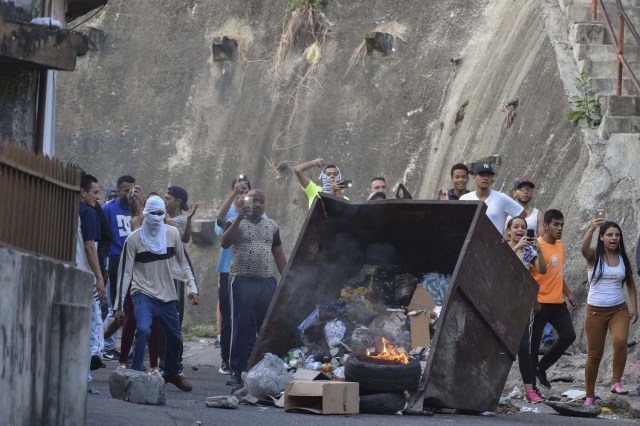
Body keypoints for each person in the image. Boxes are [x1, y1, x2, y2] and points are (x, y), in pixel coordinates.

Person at [114, 196, 198, 391]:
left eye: (160, 214)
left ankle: (171, 372)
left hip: (167, 295)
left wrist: (192, 287)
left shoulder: (172, 235)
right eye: (152, 214)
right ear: (145, 215)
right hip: (142, 293)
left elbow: (184, 262)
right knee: (143, 329)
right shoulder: (133, 239)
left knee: (175, 337)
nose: (156, 218)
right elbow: (125, 273)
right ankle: (135, 373)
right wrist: (119, 305)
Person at [221, 189, 287, 386]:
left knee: (267, 326)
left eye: (261, 201)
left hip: (266, 281)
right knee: (240, 326)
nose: (258, 205)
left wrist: (287, 279)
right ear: (245, 202)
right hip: (242, 279)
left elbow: (279, 255)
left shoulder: (272, 226)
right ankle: (236, 370)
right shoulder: (233, 222)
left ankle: (267, 368)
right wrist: (239, 219)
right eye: (254, 201)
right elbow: (225, 243)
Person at [580, 218, 637, 404]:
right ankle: (589, 395)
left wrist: (634, 307)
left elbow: (630, 284)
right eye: (610, 235)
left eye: (617, 235)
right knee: (594, 354)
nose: (614, 238)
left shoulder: (622, 258)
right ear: (602, 237)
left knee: (620, 341)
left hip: (618, 309)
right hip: (595, 310)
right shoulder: (594, 255)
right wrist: (591, 228)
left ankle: (616, 381)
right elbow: (583, 249)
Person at [529, 209, 578, 390]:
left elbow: (557, 274)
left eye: (562, 225)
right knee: (533, 347)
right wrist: (533, 301)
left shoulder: (560, 245)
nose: (560, 228)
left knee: (568, 335)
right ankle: (531, 387)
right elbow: (528, 275)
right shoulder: (535, 246)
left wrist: (569, 294)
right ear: (546, 226)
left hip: (557, 302)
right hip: (539, 303)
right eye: (556, 225)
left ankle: (542, 368)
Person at [506, 217, 547, 403]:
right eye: (516, 227)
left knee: (524, 347)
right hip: (500, 303)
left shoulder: (529, 250)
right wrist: (516, 248)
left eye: (523, 227)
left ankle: (529, 391)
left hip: (520, 305)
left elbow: (543, 270)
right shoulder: (503, 247)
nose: (520, 230)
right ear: (509, 231)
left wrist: (538, 250)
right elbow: (501, 266)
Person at [214, 175, 251, 374]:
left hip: (248, 272)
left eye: (246, 192)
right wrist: (233, 193)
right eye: (239, 191)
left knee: (246, 318)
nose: (242, 196)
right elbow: (219, 220)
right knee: (227, 317)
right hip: (228, 271)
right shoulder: (228, 214)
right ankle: (226, 359)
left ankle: (244, 358)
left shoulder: (256, 214)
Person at [102, 175, 136, 358]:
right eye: (125, 191)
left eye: (132, 191)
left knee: (132, 307)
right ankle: (106, 345)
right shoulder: (108, 210)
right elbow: (103, 237)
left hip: (135, 261)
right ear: (117, 191)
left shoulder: (137, 210)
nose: (129, 195)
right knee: (117, 307)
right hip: (116, 259)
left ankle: (126, 347)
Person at [78, 173, 106, 382]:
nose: (98, 197)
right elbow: (90, 246)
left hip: (71, 273)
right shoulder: (88, 213)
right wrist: (99, 277)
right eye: (95, 192)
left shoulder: (73, 210)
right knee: (93, 325)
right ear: (83, 193)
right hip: (86, 276)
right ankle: (86, 373)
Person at [459, 163, 525, 234]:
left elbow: (522, 213)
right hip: (470, 243)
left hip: (494, 243)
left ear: (492, 179)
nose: (485, 178)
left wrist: (508, 233)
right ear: (474, 177)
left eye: (489, 175)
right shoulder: (465, 198)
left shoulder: (501, 198)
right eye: (482, 174)